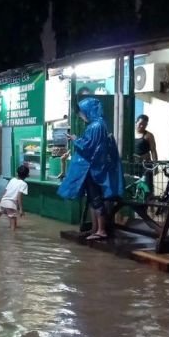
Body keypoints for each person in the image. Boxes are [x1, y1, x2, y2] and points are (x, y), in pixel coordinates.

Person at [57, 97, 124, 240]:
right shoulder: (100, 125)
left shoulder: (95, 127)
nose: (81, 116)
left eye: (82, 112)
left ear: (88, 110)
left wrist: (75, 139)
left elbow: (88, 147)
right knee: (94, 200)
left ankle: (101, 230)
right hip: (96, 168)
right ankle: (95, 229)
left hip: (92, 169)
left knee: (96, 199)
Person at [0, 165, 29, 231]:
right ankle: (12, 239)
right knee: (13, 224)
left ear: (17, 173)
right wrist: (21, 209)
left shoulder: (12, 180)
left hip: (3, 201)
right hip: (11, 204)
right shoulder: (24, 184)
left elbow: (5, 191)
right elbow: (18, 196)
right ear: (27, 175)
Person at [134, 114, 157, 195]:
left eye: (144, 125)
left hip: (146, 165)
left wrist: (155, 166)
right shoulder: (130, 134)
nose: (142, 126)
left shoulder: (149, 135)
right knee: (135, 184)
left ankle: (149, 204)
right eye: (140, 124)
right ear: (136, 122)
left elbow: (153, 151)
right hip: (134, 165)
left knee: (147, 186)